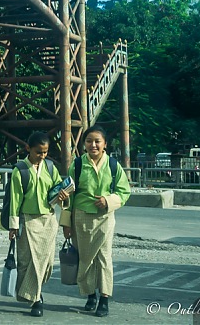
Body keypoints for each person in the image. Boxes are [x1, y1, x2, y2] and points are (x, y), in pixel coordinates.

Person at [60, 125, 131, 317]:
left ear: (105, 144)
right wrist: (66, 224)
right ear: (84, 145)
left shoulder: (113, 165)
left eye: (97, 141)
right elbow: (69, 197)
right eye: (89, 141)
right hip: (81, 217)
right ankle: (90, 295)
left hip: (105, 218)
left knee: (104, 258)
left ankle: (104, 299)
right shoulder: (77, 165)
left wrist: (108, 201)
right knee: (85, 258)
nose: (93, 145)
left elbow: (125, 192)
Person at [8, 131, 67, 317]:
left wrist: (63, 196)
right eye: (38, 152)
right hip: (27, 219)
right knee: (28, 261)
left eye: (45, 152)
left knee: (46, 261)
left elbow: (58, 187)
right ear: (28, 149)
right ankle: (37, 298)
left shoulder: (50, 167)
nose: (42, 156)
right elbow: (15, 199)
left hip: (48, 219)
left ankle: (32, 293)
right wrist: (13, 225)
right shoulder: (20, 170)